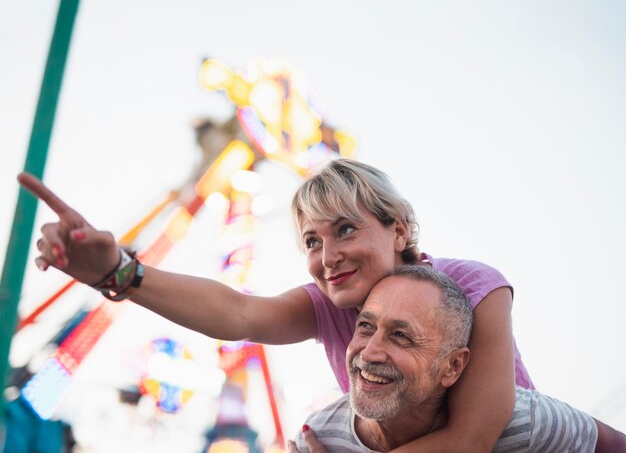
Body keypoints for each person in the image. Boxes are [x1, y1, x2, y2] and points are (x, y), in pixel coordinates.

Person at [17, 159, 625, 452]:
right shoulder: (327, 306)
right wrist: (120, 272)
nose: (327, 254)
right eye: (312, 241)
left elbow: (471, 439)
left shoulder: (474, 284)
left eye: (345, 231)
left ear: (398, 229)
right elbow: (237, 313)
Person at [290, 265, 598, 452]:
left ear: (452, 366)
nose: (369, 352)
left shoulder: (526, 425)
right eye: (365, 327)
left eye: (401, 336)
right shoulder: (319, 439)